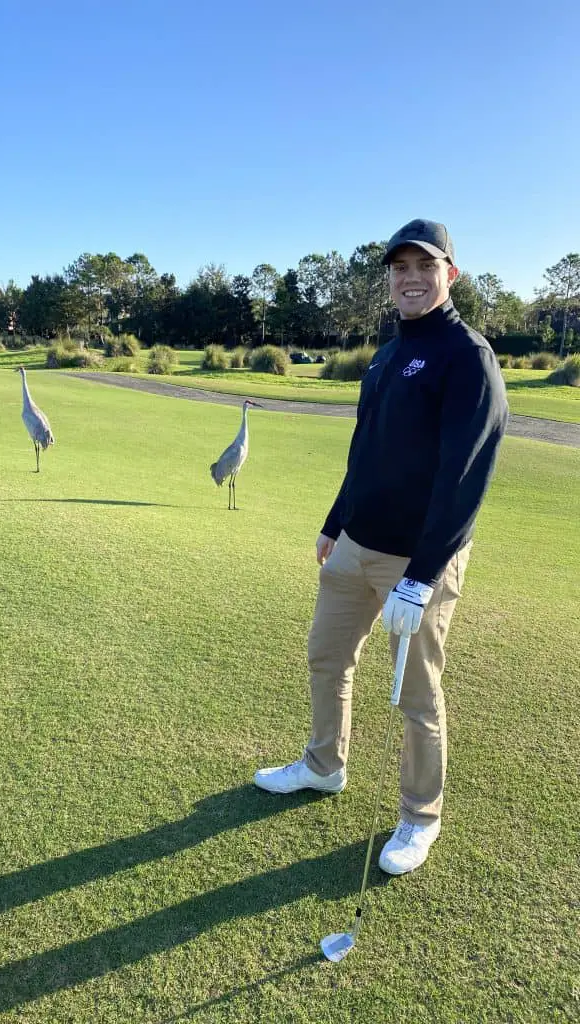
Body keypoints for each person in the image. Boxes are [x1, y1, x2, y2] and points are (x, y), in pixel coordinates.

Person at [254, 219, 509, 875]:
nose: (411, 278)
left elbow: (464, 478)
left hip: (414, 563)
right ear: (389, 279)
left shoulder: (466, 354)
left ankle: (421, 818)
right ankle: (323, 765)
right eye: (400, 268)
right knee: (325, 658)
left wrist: (423, 576)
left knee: (417, 697)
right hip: (354, 548)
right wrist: (335, 521)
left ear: (449, 274)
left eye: (425, 267)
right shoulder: (385, 355)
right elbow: (365, 454)